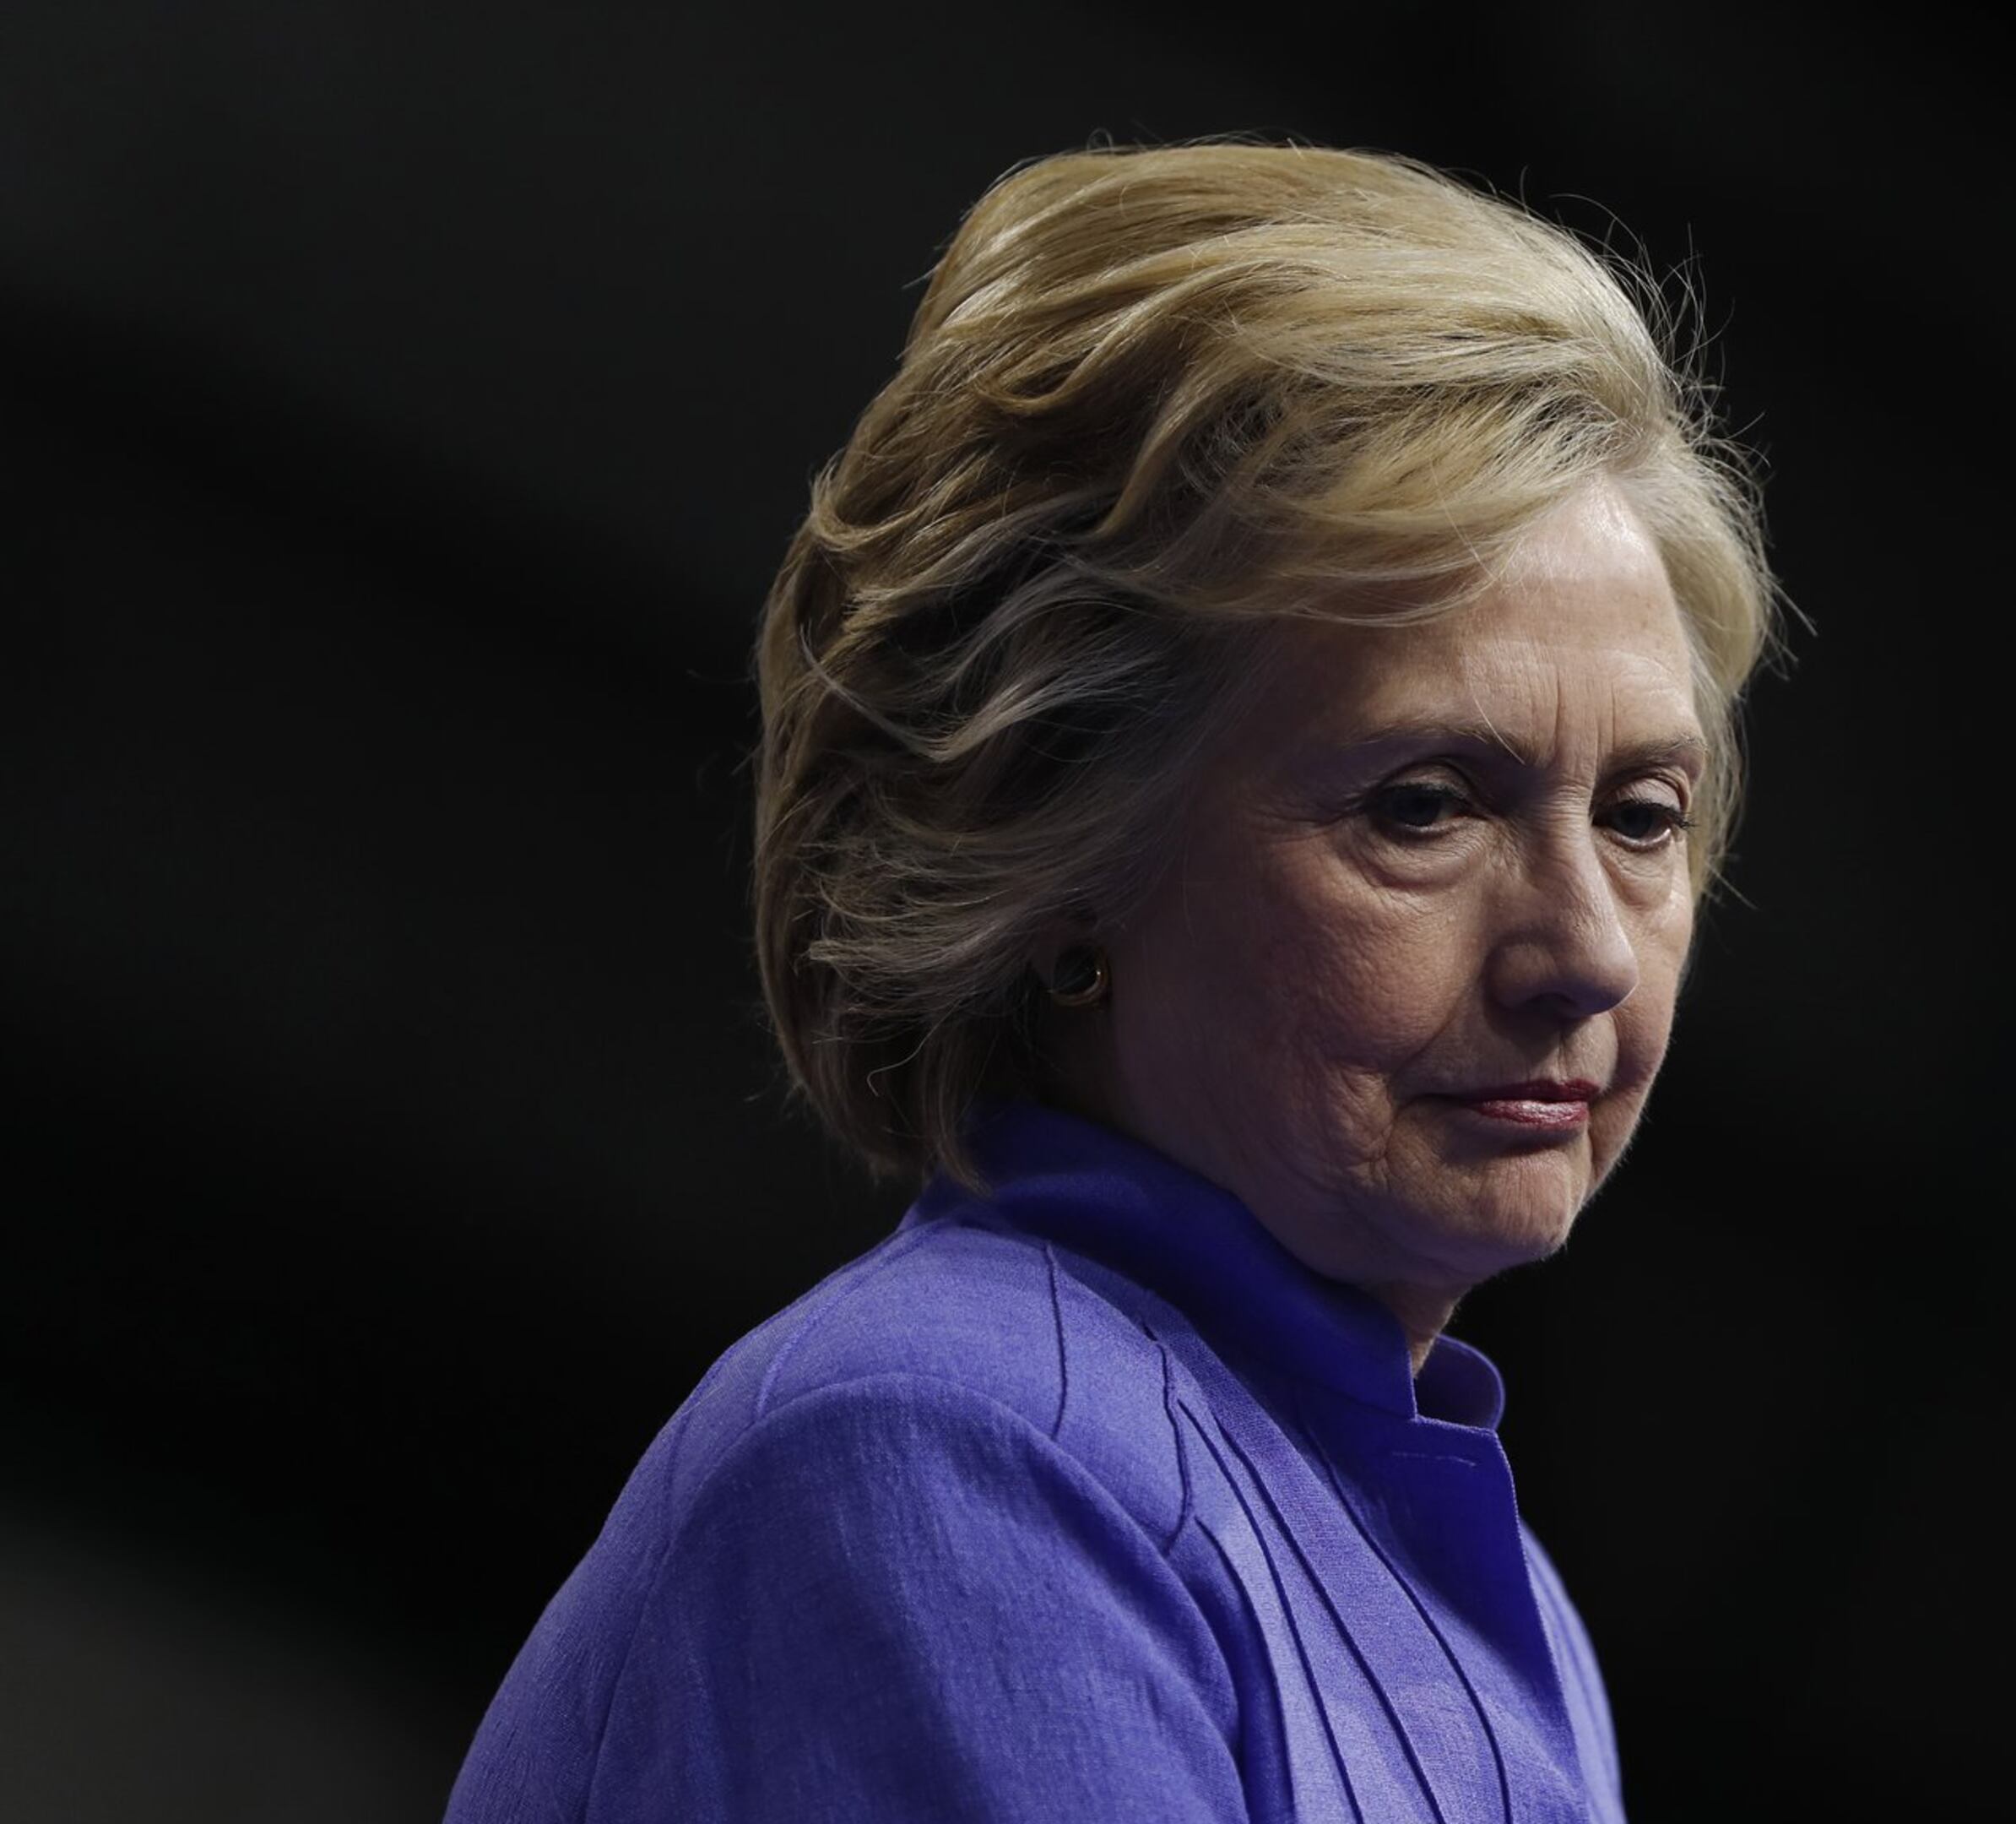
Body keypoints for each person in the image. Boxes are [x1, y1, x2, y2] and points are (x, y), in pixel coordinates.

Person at [440, 139, 1776, 1822]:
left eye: (1644, 815)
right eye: (1424, 807)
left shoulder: (1464, 1580)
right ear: (1060, 852)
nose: (1583, 948)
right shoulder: (956, 1452)